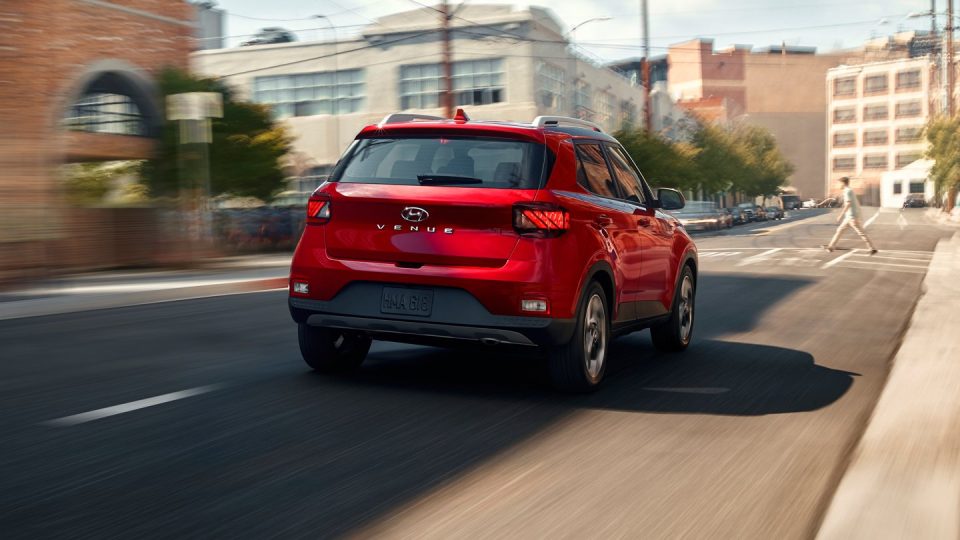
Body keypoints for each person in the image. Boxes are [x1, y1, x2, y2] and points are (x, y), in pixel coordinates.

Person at [823, 176, 877, 254]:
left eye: (839, 183)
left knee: (860, 232)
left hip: (851, 217)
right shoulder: (849, 190)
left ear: (843, 183)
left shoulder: (847, 191)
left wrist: (841, 215)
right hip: (850, 217)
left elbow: (848, 203)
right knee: (840, 230)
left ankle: (872, 248)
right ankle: (831, 247)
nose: (838, 185)